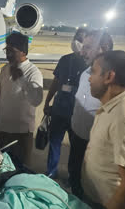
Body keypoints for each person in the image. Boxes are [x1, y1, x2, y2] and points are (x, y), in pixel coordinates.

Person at [69, 30, 125, 198]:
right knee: (76, 182)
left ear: (103, 48)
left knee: (96, 193)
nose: (82, 52)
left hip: (100, 150)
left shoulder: (122, 81)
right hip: (78, 141)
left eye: (87, 47)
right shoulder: (84, 75)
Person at [82, 50, 125, 209]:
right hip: (95, 198)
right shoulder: (110, 107)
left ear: (109, 77)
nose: (90, 78)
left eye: (94, 72)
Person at [44, 28, 88, 178]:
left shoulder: (91, 64)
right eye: (77, 38)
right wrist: (47, 101)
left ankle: (73, 175)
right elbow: (55, 82)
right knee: (54, 141)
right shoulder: (65, 60)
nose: (78, 42)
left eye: (82, 40)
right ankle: (51, 171)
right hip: (60, 109)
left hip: (78, 113)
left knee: (76, 147)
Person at [0, 32, 43, 164]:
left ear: (23, 51)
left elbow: (36, 100)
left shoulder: (33, 72)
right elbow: (1, 96)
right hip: (4, 128)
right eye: (6, 50)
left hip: (21, 131)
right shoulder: (5, 69)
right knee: (5, 165)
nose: (7, 54)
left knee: (22, 166)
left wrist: (21, 79)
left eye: (11, 50)